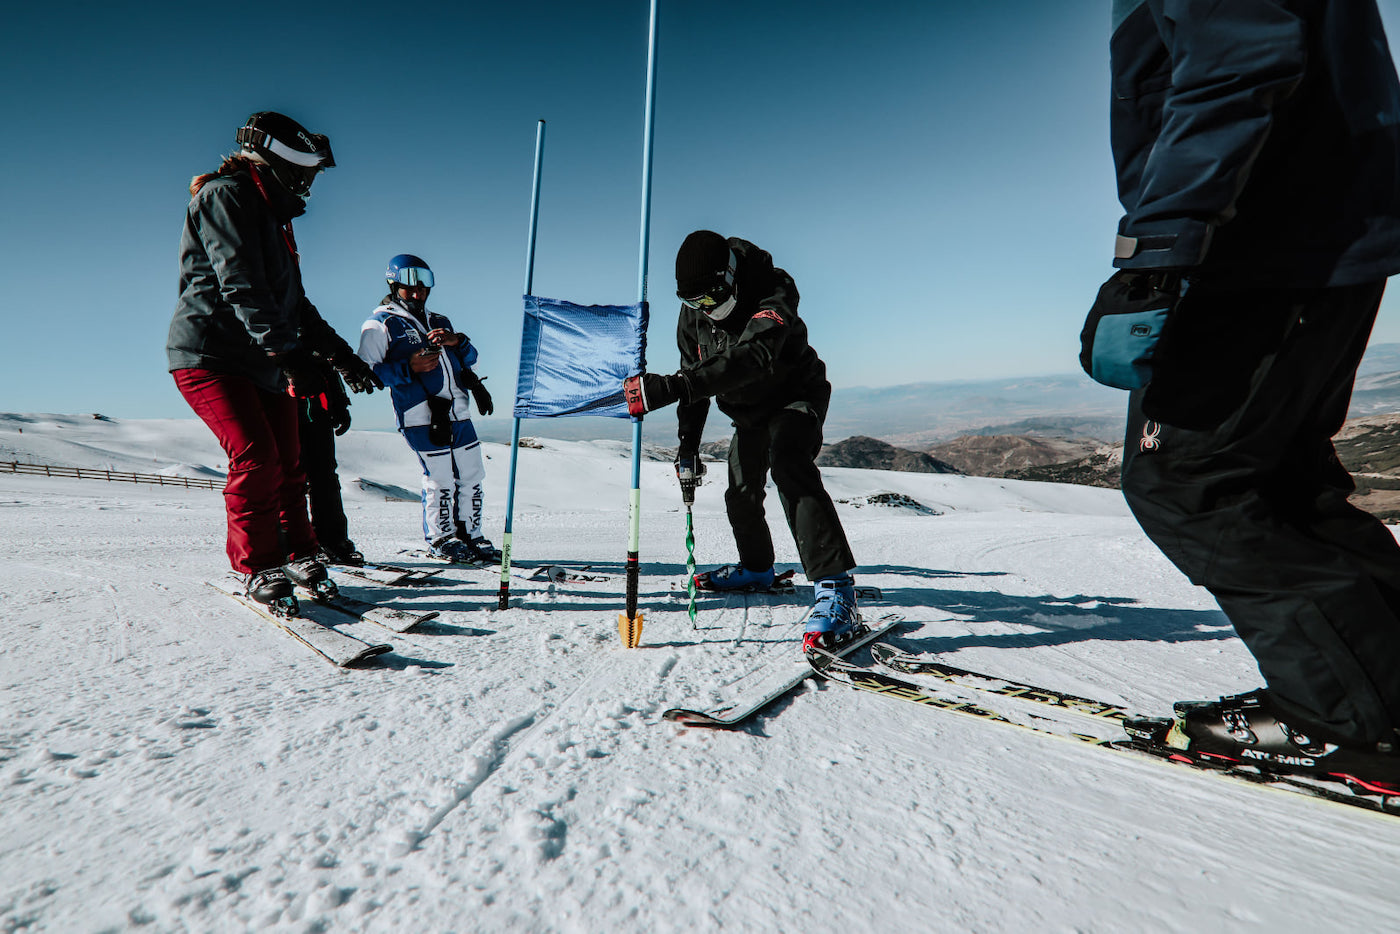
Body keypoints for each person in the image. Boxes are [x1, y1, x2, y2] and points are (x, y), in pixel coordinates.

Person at [1081, 1, 1400, 782]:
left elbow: (1240, 51)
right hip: (1318, 228)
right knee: (1281, 479)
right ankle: (1383, 691)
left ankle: (1351, 722)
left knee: (1189, 485)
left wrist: (1156, 249)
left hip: (1257, 242)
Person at [167, 112, 381, 607]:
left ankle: (303, 553)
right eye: (308, 173)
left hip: (262, 358)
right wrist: (286, 354)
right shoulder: (226, 196)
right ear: (281, 162)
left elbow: (296, 304)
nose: (309, 184)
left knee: (291, 462)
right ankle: (258, 566)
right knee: (256, 458)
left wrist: (343, 358)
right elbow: (240, 283)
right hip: (211, 354)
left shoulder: (272, 215)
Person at [623, 230, 859, 653]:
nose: (705, 311)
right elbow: (694, 381)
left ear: (730, 274)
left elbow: (755, 355)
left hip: (795, 396)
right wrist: (687, 446)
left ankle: (837, 587)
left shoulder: (773, 287)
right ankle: (757, 569)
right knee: (741, 489)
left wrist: (676, 386)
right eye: (694, 303)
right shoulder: (692, 314)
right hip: (748, 411)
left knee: (789, 463)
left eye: (710, 298)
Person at [358, 254, 499, 564]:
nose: (419, 294)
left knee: (472, 474)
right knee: (440, 478)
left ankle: (471, 534)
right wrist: (409, 366)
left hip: (458, 409)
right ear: (394, 285)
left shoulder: (440, 320)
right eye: (411, 289)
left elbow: (470, 357)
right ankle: (442, 537)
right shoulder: (381, 323)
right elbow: (367, 373)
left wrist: (457, 341)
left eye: (424, 287)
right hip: (420, 413)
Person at [297, 354, 371, 568]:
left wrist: (339, 403)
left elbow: (326, 365)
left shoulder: (305, 329)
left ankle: (333, 541)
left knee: (325, 475)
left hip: (317, 408)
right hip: (282, 405)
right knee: (290, 477)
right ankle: (295, 545)